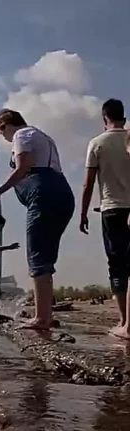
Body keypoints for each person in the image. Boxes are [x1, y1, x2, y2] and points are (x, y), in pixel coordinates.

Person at [0, 109, 75, 330]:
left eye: (0, 130)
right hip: (63, 194)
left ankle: (41, 318)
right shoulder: (44, 137)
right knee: (46, 256)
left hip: (42, 195)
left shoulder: (21, 135)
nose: (2, 136)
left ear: (5, 125)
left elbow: (24, 167)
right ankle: (45, 314)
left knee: (37, 256)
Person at [79, 99, 130, 337]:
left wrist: (83, 213)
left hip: (112, 209)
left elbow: (88, 184)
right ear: (124, 117)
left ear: (104, 118)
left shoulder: (97, 143)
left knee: (118, 265)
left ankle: (124, 322)